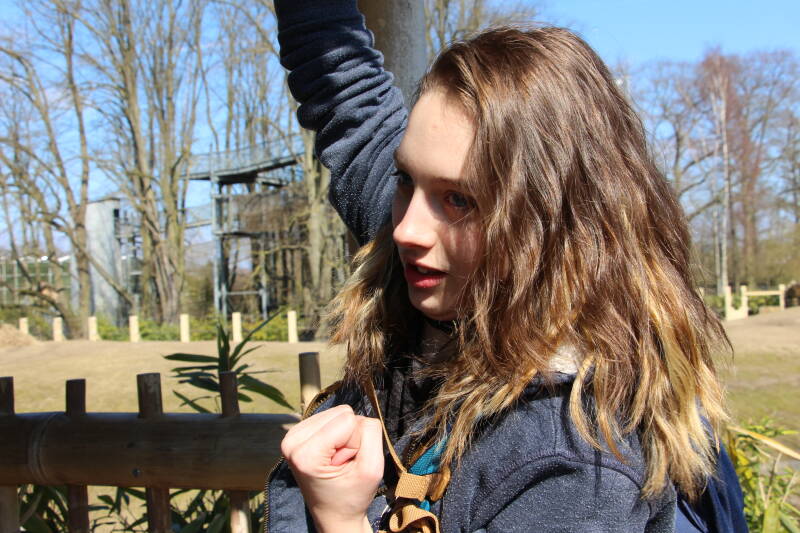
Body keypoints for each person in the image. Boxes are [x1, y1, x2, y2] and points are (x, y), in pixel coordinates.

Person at [266, 1, 744, 532]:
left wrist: (340, 520)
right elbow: (342, 88)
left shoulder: (580, 467)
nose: (404, 230)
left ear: (554, 226)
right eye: (405, 180)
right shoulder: (433, 256)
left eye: (459, 200)